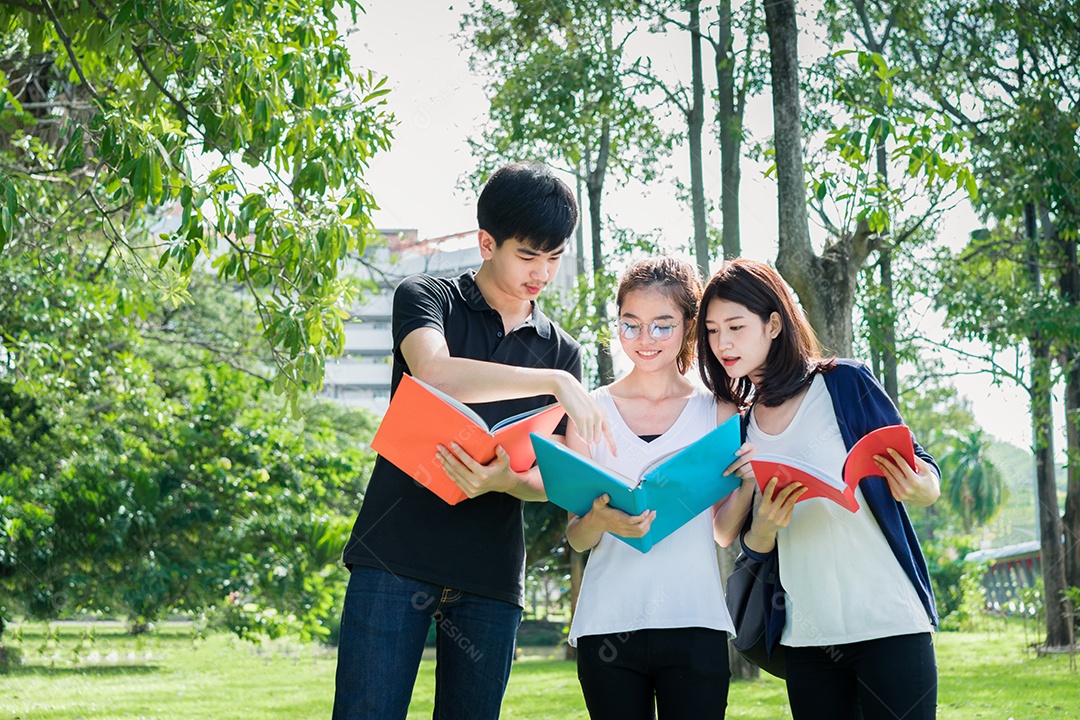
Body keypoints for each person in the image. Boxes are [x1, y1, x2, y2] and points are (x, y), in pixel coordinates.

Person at [332, 162, 612, 720]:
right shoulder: (426, 297)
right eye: (528, 256)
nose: (542, 273)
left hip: (490, 574)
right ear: (487, 243)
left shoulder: (564, 349)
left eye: (554, 257)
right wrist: (553, 382)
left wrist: (509, 480)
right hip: (394, 557)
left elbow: (565, 482)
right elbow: (434, 371)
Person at [697, 258, 941, 720]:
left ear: (773, 324)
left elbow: (921, 463)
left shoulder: (843, 383)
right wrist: (764, 529)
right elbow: (739, 537)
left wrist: (921, 487)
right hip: (808, 640)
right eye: (711, 331)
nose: (722, 343)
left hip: (890, 623)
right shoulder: (738, 428)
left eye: (734, 326)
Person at [563, 257, 757, 720]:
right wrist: (601, 520)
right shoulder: (589, 410)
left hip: (694, 620)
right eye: (630, 326)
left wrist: (747, 485)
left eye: (661, 326)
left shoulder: (720, 412)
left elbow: (723, 532)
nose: (644, 340)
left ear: (690, 327)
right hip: (607, 625)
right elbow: (576, 536)